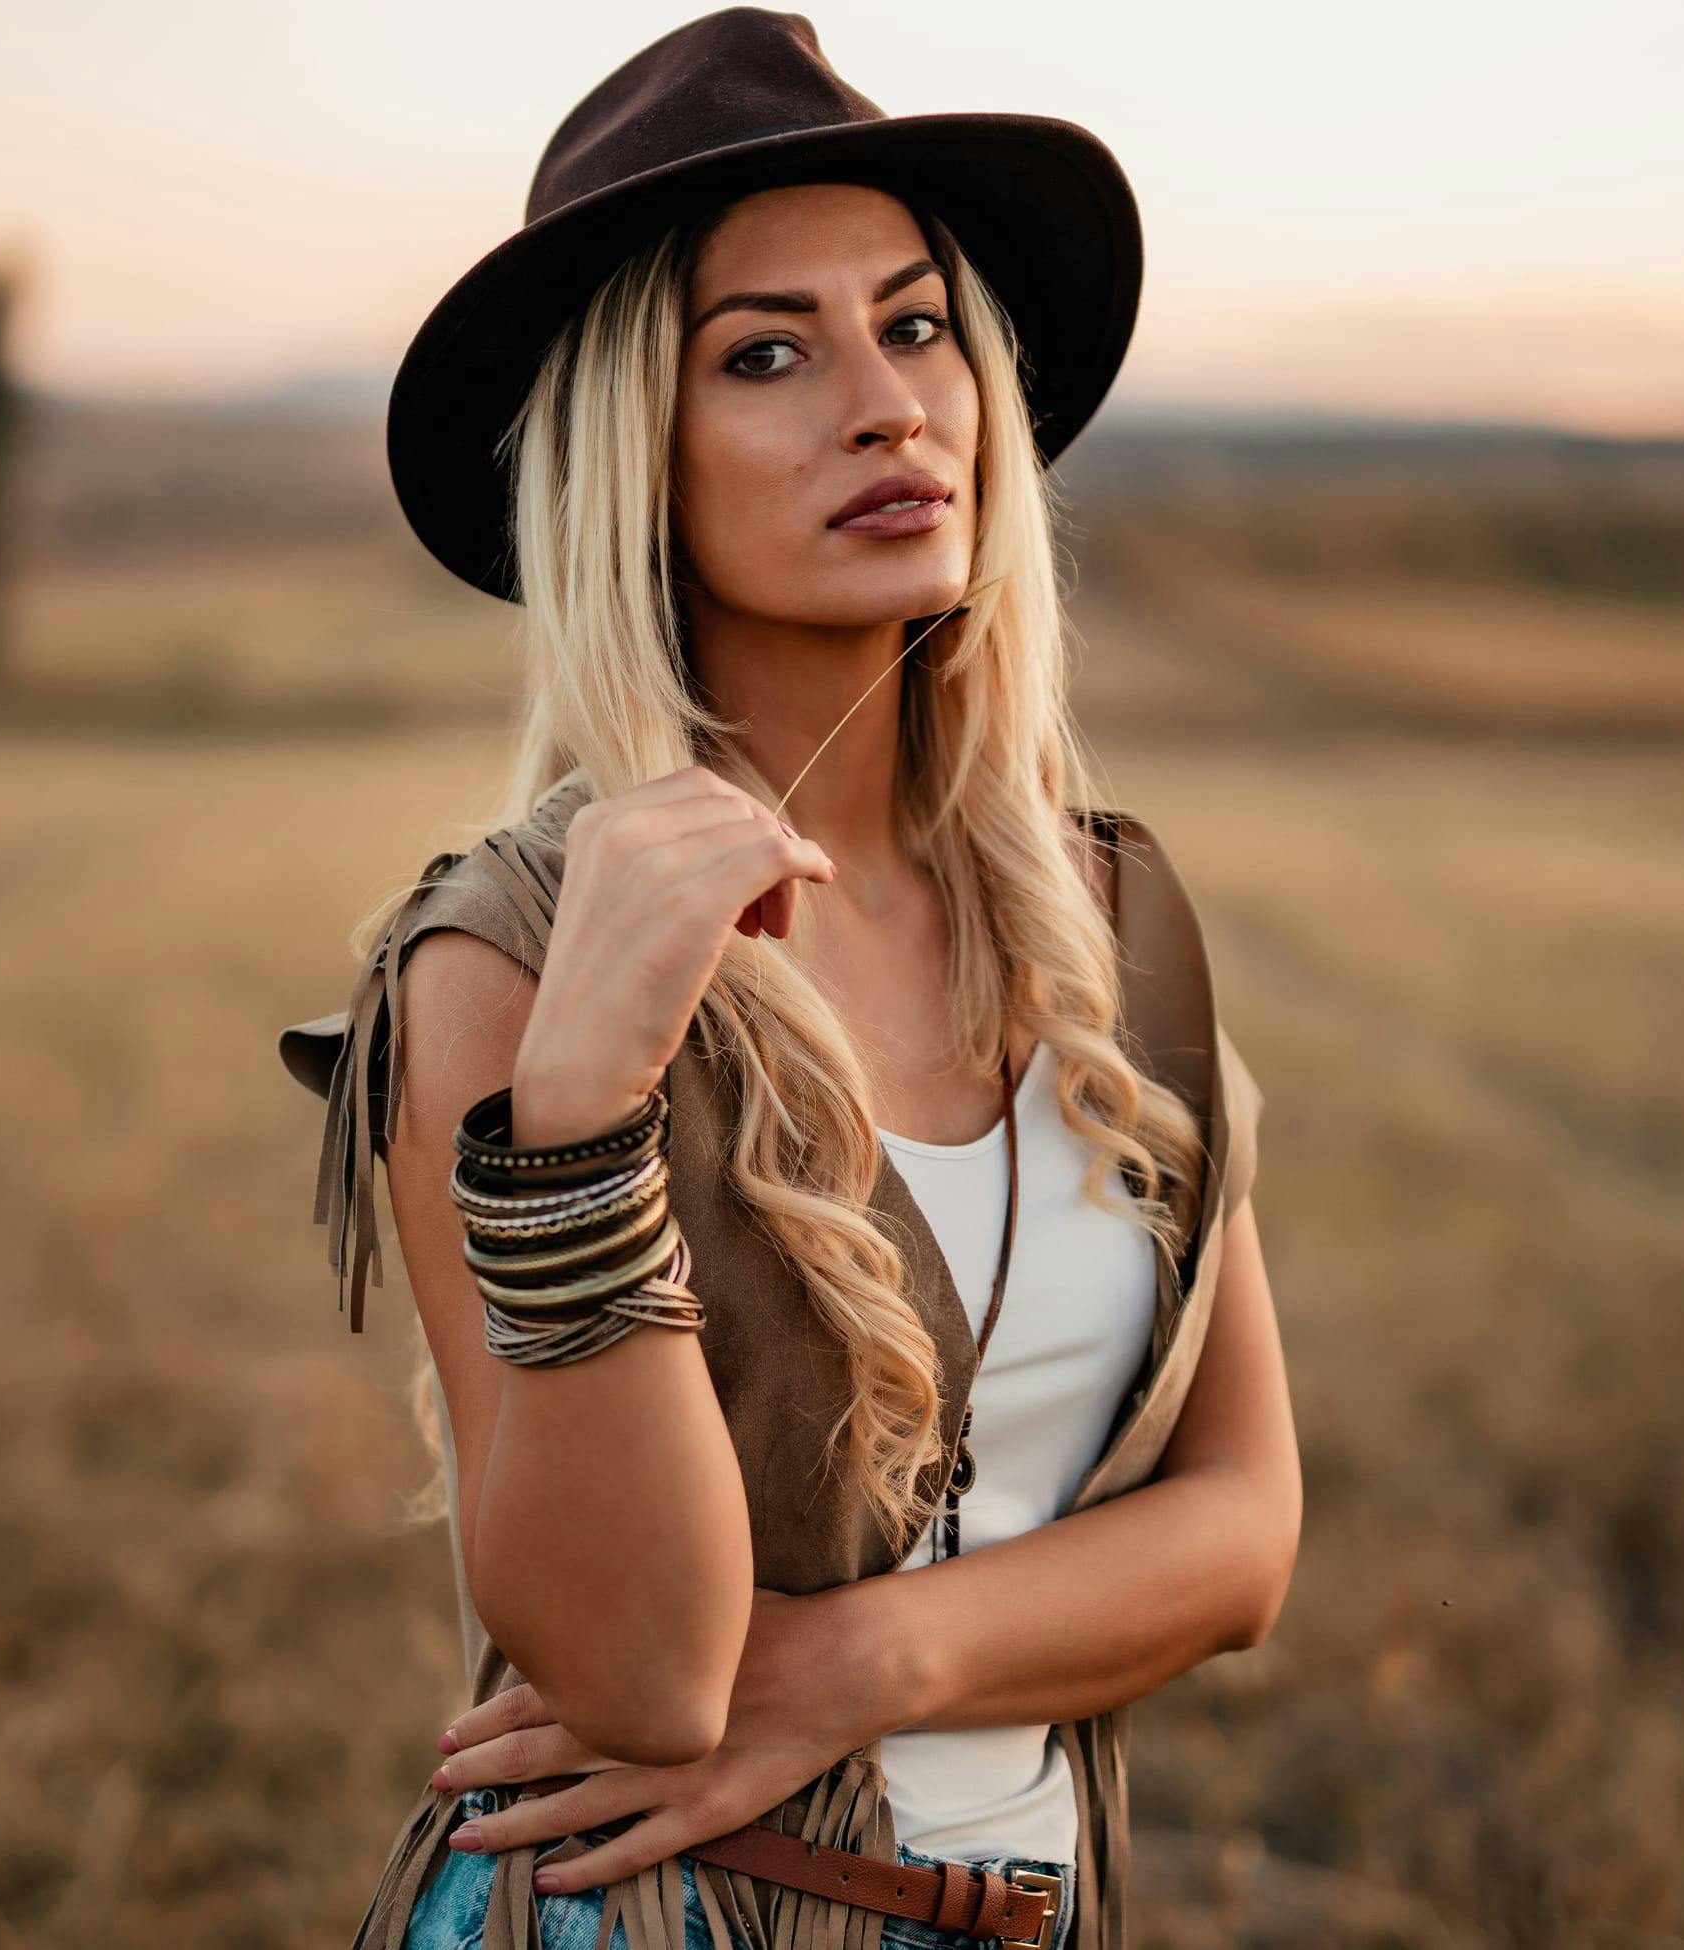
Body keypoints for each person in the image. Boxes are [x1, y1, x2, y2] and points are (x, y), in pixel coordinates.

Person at [275, 12, 1301, 1950]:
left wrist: (857, 1660)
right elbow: (648, 1678)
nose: (884, 402)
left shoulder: (1114, 921)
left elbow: (1243, 1534)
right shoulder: (500, 963)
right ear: (624, 464)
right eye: (765, 352)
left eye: (914, 328)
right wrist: (576, 1108)